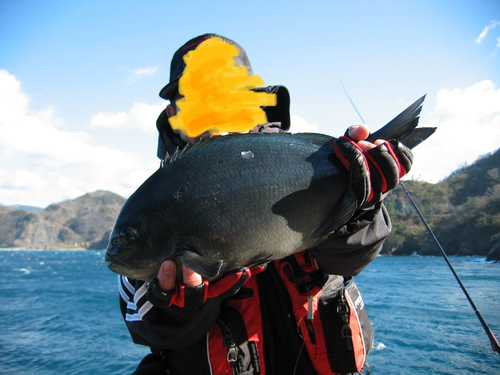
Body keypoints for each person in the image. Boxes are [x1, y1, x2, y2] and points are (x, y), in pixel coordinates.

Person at [118, 33, 413, 375]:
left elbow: (349, 256)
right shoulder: (151, 207)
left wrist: (360, 201)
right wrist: (178, 305)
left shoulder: (306, 167)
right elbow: (146, 322)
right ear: (173, 112)